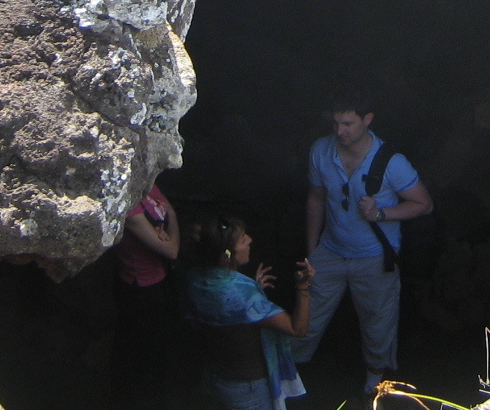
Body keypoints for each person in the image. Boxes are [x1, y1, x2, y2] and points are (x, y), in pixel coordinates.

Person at [295, 94, 434, 397]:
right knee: (307, 316)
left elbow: (423, 204)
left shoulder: (391, 162)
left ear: (367, 119)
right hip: (330, 251)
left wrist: (381, 213)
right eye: (335, 123)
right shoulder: (321, 149)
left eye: (347, 123)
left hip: (375, 257)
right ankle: (289, 377)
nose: (339, 131)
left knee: (378, 323)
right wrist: (312, 252)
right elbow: (316, 197)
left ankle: (375, 386)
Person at [180, 215, 315, 410]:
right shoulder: (243, 295)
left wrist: (253, 288)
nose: (250, 240)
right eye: (243, 240)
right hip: (249, 389)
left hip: (216, 379)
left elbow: (226, 310)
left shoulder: (194, 279)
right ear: (227, 256)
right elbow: (298, 328)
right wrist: (303, 286)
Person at [110, 183, 181, 408]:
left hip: (160, 279)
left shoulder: (149, 186)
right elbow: (171, 251)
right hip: (139, 288)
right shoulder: (129, 206)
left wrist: (170, 219)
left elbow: (169, 213)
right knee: (143, 352)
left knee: (160, 347)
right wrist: (167, 227)